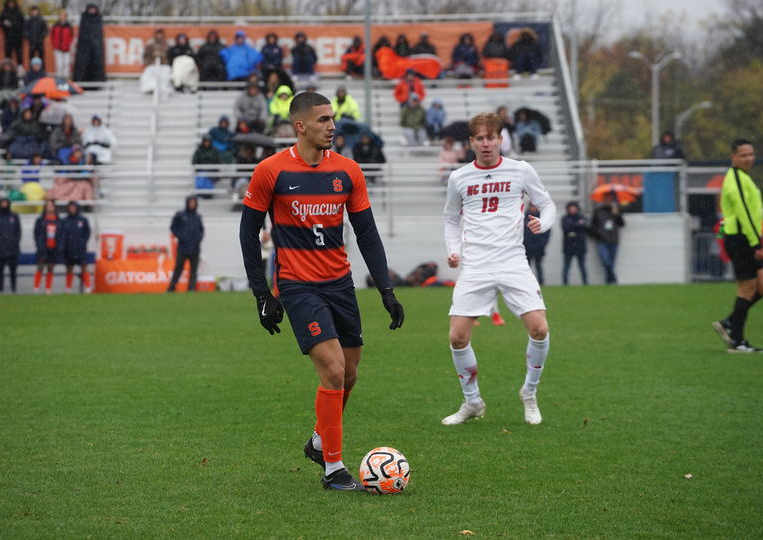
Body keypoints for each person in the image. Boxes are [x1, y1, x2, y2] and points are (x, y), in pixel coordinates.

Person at [239, 91, 404, 491]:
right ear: (300, 126)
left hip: (340, 283)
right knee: (332, 370)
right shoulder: (270, 171)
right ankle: (333, 468)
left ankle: (318, 441)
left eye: (333, 119)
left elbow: (367, 234)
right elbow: (248, 232)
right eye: (323, 120)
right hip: (297, 285)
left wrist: (386, 289)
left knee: (350, 373)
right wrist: (262, 294)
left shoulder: (348, 171)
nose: (332, 126)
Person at [442, 112, 555, 427]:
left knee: (540, 329)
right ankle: (472, 402)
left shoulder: (521, 170)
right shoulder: (459, 178)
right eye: (479, 138)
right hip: (476, 264)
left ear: (500, 139)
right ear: (472, 142)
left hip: (512, 261)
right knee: (457, 337)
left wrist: (541, 223)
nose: (486, 143)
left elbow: (548, 205)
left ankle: (529, 393)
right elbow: (451, 218)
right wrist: (454, 250)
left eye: (491, 137)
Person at [712, 139, 763, 353]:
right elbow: (744, 214)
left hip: (748, 238)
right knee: (747, 289)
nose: (748, 158)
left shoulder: (744, 177)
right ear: (734, 158)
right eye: (743, 155)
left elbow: (753, 211)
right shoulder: (736, 179)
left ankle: (730, 322)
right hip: (741, 239)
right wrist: (756, 242)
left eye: (751, 154)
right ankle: (737, 342)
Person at [168, 196, 204, 293]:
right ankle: (171, 288)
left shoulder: (198, 217)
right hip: (182, 248)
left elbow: (201, 230)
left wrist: (198, 240)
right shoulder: (180, 215)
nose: (192, 204)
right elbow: (173, 227)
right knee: (178, 269)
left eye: (194, 202)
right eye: (191, 202)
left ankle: (191, 289)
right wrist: (181, 237)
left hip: (195, 248)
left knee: (193, 270)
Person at [590, 191, 624, 284]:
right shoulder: (598, 211)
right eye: (606, 198)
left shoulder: (615, 210)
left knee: (611, 264)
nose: (608, 200)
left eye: (610, 198)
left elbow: (622, 224)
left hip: (614, 240)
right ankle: (614, 279)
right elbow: (593, 225)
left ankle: (609, 283)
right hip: (602, 241)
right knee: (606, 262)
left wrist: (617, 214)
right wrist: (598, 234)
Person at [0, 197, 21, 294]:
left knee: (13, 271)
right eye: (2, 203)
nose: (4, 205)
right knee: (0, 271)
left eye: (5, 203)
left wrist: (14, 243)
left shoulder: (14, 216)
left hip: (12, 249)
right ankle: (0, 290)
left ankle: (13, 289)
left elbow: (18, 232)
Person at [61, 201, 91, 293]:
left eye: (73, 207)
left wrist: (83, 242)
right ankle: (68, 288)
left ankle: (88, 288)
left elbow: (87, 232)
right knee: (69, 268)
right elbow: (62, 234)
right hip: (69, 249)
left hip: (80, 249)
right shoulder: (65, 220)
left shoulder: (83, 219)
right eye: (70, 207)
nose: (72, 209)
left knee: (84, 267)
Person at [33, 199, 61, 294]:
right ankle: (36, 288)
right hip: (43, 247)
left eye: (51, 205)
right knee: (40, 267)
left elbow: (61, 235)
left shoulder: (58, 220)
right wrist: (39, 245)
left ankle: (48, 288)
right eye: (48, 205)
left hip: (53, 247)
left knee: (50, 267)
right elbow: (36, 234)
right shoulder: (41, 220)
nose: (49, 207)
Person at [73, 4, 105, 83]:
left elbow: (98, 33)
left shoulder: (98, 19)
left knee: (96, 61)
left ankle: (97, 81)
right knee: (83, 62)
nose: (92, 11)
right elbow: (83, 32)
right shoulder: (84, 18)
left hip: (95, 46)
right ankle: (82, 80)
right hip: (85, 45)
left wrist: (94, 42)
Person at [561, 201, 588, 285]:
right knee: (566, 266)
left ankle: (585, 283)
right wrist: (577, 225)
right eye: (571, 207)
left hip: (580, 246)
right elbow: (566, 227)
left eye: (574, 207)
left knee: (582, 266)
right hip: (568, 247)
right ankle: (565, 283)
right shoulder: (565, 218)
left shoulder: (582, 217)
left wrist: (573, 226)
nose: (573, 209)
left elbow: (585, 226)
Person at [523, 204, 550, 285]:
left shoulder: (541, 219)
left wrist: (542, 245)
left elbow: (546, 233)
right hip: (527, 248)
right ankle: (527, 283)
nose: (533, 208)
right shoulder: (523, 218)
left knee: (539, 266)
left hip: (538, 248)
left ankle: (541, 283)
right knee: (527, 268)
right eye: (531, 206)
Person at [0, 0, 25, 69]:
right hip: (8, 36)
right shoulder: (4, 12)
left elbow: (23, 24)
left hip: (17, 36)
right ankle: (8, 67)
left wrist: (16, 27)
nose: (11, 4)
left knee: (19, 52)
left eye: (12, 2)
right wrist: (4, 23)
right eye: (9, 2)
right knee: (8, 52)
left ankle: (20, 67)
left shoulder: (19, 13)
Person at [51, 10, 74, 79]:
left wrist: (67, 44)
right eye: (61, 16)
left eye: (64, 16)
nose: (62, 17)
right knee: (59, 64)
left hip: (66, 48)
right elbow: (52, 36)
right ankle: (59, 77)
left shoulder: (69, 26)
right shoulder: (56, 25)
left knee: (66, 63)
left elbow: (71, 36)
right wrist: (55, 44)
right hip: (58, 48)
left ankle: (66, 77)